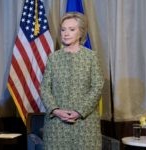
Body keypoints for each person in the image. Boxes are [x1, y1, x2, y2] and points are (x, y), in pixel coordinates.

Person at [40, 12, 104, 150]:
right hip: (56, 126)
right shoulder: (53, 58)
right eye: (63, 29)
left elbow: (97, 86)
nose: (66, 33)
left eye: (71, 29)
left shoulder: (91, 57)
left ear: (81, 32)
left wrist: (79, 111)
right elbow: (45, 88)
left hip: (85, 124)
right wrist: (56, 110)